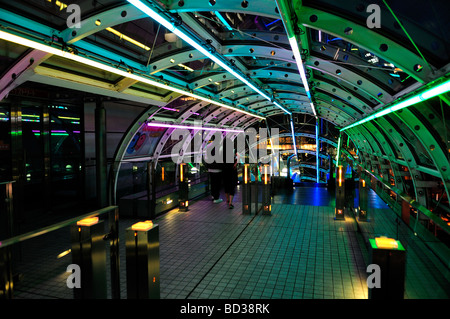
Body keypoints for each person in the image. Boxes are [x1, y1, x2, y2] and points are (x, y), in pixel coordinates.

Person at [222, 138, 238, 209]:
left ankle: (227, 199)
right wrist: (235, 164)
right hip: (232, 170)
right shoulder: (233, 150)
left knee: (226, 185)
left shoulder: (222, 151)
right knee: (232, 186)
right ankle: (230, 203)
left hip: (225, 170)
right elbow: (238, 157)